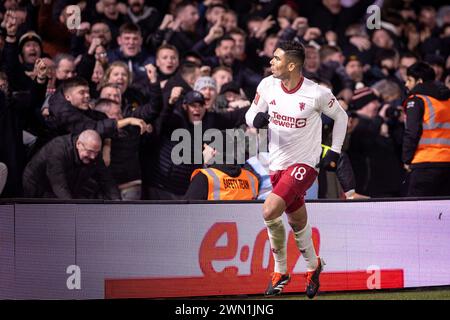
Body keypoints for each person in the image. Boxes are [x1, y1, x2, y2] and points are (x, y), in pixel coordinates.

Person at [245, 40, 348, 298]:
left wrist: (334, 150)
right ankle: (313, 267)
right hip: (277, 163)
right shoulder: (267, 85)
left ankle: (281, 270)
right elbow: (251, 114)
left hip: (304, 164)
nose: (271, 62)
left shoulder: (316, 93)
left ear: (291, 65)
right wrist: (255, 119)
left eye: (276, 59)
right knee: (297, 220)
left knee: (269, 209)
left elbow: (341, 117)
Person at [22, 130, 121, 200]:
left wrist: (117, 201)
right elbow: (59, 185)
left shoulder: (94, 153)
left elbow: (107, 179)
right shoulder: (58, 150)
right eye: (90, 151)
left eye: (96, 152)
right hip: (37, 187)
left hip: (68, 184)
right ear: (78, 144)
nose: (93, 157)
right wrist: (72, 209)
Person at [402, 62, 450, 196]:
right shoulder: (448, 99)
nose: (406, 84)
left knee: (417, 212)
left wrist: (406, 159)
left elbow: (412, 132)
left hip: (425, 163)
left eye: (409, 80)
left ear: (419, 81)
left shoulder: (417, 100)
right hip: (447, 164)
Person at [185, 137, 260, 201]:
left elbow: (186, 211)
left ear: (213, 151)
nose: (203, 152)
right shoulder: (251, 178)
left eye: (205, 148)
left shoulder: (204, 177)